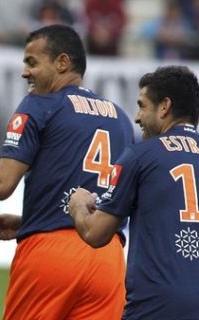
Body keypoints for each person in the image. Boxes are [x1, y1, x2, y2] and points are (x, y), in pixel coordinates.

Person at [0, 24, 134, 319]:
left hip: (51, 255)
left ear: (62, 62)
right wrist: (31, 219)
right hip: (108, 258)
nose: (25, 72)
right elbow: (100, 192)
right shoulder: (120, 117)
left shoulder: (40, 105)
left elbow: (2, 183)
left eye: (33, 62)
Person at [68, 65, 199, 319]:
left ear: (165, 107)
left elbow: (95, 233)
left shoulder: (141, 156)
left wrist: (78, 205)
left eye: (142, 105)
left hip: (156, 305)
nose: (137, 117)